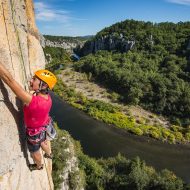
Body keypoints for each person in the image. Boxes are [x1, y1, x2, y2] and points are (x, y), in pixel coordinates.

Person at [0, 62, 57, 170]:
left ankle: (39, 166)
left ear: (43, 85)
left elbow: (9, 80)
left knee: (35, 152)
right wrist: (33, 91)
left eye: (34, 79)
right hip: (45, 125)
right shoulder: (47, 97)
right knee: (44, 141)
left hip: (35, 133)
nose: (30, 80)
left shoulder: (32, 101)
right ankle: (49, 154)